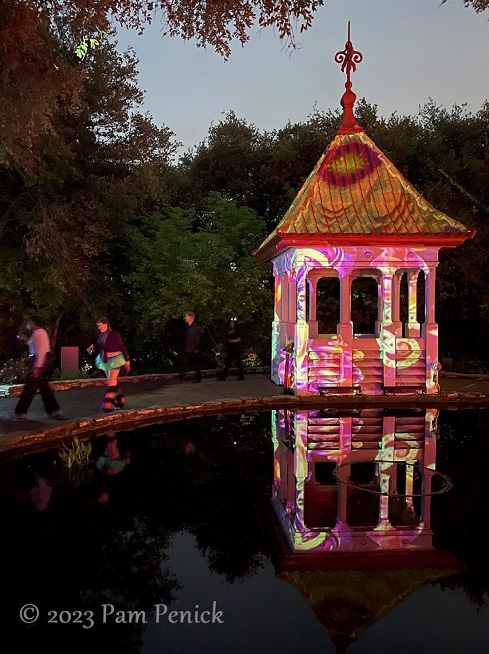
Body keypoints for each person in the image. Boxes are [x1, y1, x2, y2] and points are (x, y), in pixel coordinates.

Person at [11, 318, 64, 421]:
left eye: (29, 323)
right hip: (38, 365)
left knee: (29, 389)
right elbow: (31, 343)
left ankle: (20, 412)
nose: (28, 325)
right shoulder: (37, 333)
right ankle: (54, 410)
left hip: (38, 365)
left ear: (33, 323)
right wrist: (25, 338)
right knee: (44, 389)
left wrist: (37, 367)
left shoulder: (40, 333)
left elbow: (41, 352)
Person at [87, 318, 130, 412]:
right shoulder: (102, 335)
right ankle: (120, 400)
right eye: (98, 325)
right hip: (105, 359)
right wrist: (93, 346)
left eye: (100, 325)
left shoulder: (114, 334)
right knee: (112, 381)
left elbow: (121, 346)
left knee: (111, 381)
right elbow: (99, 345)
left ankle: (107, 404)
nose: (98, 327)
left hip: (115, 359)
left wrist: (127, 361)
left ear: (105, 324)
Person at [183, 311, 201, 383]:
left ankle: (197, 378)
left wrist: (196, 348)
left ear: (190, 318)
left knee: (196, 364)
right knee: (192, 363)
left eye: (186, 317)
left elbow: (197, 339)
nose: (185, 318)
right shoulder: (188, 327)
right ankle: (194, 377)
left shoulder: (194, 328)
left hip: (193, 349)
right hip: (189, 348)